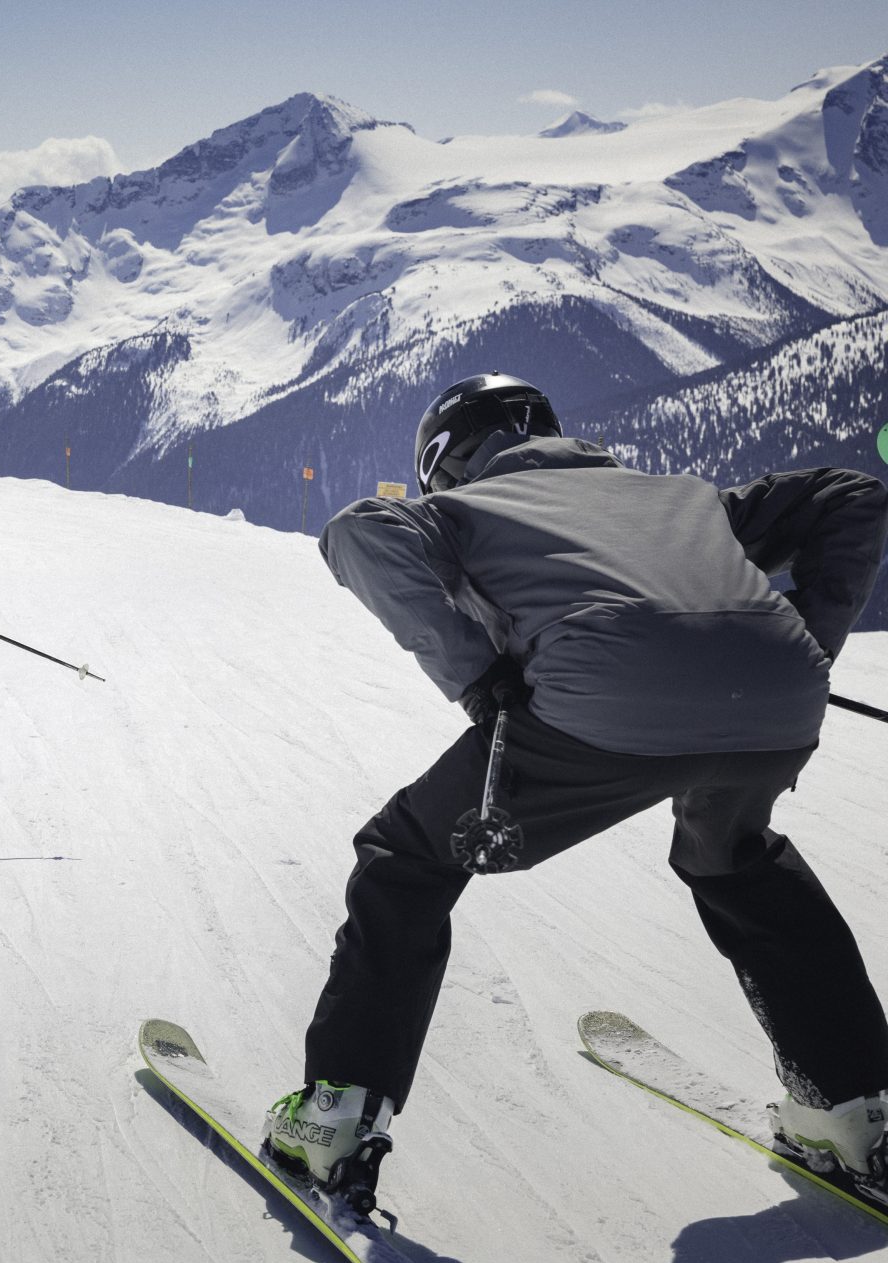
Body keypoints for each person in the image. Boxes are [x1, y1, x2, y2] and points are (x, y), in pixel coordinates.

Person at [264, 372, 888, 1209]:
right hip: (775, 709)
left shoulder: (465, 507)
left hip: (597, 705)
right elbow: (854, 493)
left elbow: (357, 532)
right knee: (734, 855)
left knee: (406, 858)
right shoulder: (683, 496)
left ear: (445, 461)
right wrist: (803, 641)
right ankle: (854, 1114)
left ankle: (332, 1121)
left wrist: (482, 676)